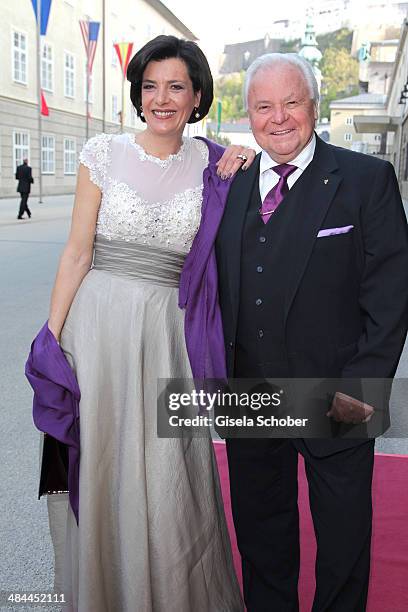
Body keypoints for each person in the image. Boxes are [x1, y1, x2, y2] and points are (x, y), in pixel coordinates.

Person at [27, 36, 255, 611]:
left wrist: (244, 156)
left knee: (169, 466)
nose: (162, 98)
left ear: (197, 95)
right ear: (138, 93)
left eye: (176, 86)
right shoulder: (102, 154)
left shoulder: (215, 161)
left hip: (168, 335)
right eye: (150, 85)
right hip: (97, 327)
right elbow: (78, 252)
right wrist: (52, 339)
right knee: (102, 461)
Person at [213, 54, 408, 611]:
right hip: (249, 394)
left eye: (291, 102)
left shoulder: (366, 180)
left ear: (314, 106)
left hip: (338, 393)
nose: (278, 118)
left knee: (343, 543)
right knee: (261, 538)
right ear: (247, 114)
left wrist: (362, 389)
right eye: (263, 106)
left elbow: (391, 296)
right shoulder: (230, 183)